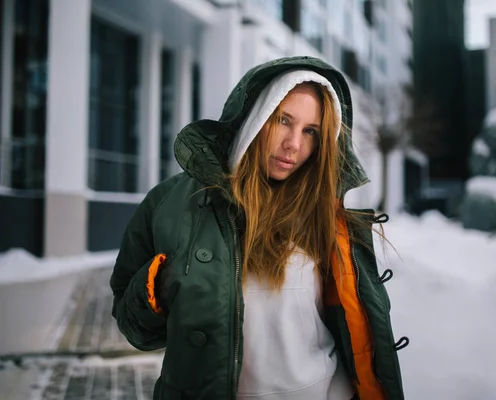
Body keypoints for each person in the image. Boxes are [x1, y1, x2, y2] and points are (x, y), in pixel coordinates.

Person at [110, 56, 406, 400]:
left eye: (310, 131)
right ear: (255, 117)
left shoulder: (326, 215)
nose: (294, 144)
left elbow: (359, 333)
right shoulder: (172, 204)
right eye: (283, 120)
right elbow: (133, 326)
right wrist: (157, 287)